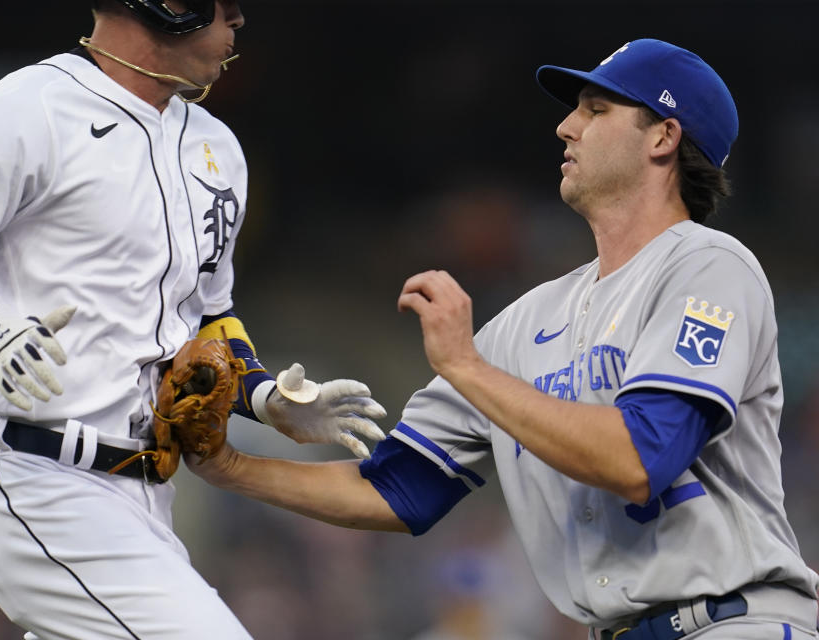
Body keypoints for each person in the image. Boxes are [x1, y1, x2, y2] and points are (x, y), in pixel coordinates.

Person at [184, 39, 819, 639]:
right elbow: (399, 489)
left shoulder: (710, 267)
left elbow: (639, 460)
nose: (566, 127)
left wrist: (467, 366)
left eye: (596, 110)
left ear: (663, 136)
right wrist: (230, 467)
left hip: (735, 623)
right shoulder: (526, 322)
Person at [0, 1, 386, 638]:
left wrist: (266, 397)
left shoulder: (216, 145)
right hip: (46, 482)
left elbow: (208, 320)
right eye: (225, 7)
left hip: (150, 496)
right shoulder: (31, 108)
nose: (240, 21)